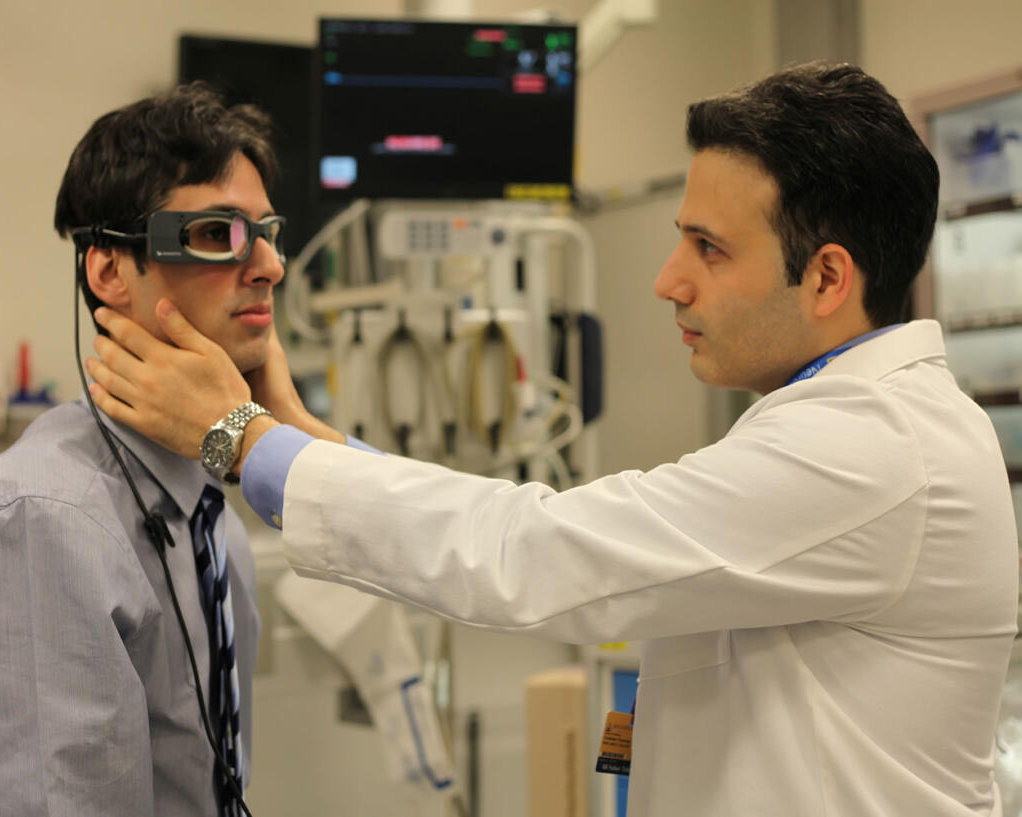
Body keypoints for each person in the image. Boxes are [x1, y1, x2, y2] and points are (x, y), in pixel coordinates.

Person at [84, 63, 1019, 815]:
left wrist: (245, 443)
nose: (667, 281)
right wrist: (299, 441)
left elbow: (539, 554)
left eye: (709, 248)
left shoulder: (874, 448)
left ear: (825, 277)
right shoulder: (828, 424)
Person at [0, 81, 345, 816]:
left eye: (268, 231)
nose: (271, 265)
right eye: (218, 233)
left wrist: (279, 433)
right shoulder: (37, 523)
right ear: (110, 272)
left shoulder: (209, 507)